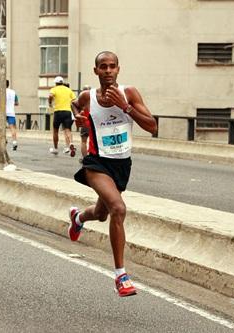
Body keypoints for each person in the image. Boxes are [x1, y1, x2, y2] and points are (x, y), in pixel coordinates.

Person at [69, 51, 157, 297]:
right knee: (118, 208)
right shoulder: (89, 97)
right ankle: (121, 276)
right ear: (95, 71)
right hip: (96, 163)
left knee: (101, 214)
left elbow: (152, 127)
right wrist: (78, 118)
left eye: (112, 66)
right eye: (103, 67)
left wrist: (126, 108)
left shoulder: (129, 94)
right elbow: (75, 105)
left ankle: (78, 218)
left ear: (118, 69)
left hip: (121, 164)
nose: (108, 71)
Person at [48, 76, 76, 157]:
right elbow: (74, 100)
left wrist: (50, 103)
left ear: (56, 83)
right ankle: (70, 144)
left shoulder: (54, 89)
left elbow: (50, 96)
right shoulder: (68, 90)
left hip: (58, 111)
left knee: (55, 130)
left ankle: (56, 149)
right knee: (68, 130)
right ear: (62, 82)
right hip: (68, 111)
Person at [78, 85, 91, 162]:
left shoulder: (81, 102)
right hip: (94, 124)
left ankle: (85, 158)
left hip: (86, 123)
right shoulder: (96, 99)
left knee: (84, 141)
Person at [5, 80, 19, 150]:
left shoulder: (1, 91)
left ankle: (4, 140)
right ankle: (14, 142)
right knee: (12, 128)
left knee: (2, 127)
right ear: (8, 84)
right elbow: (17, 103)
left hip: (3, 112)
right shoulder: (13, 93)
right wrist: (10, 104)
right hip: (11, 112)